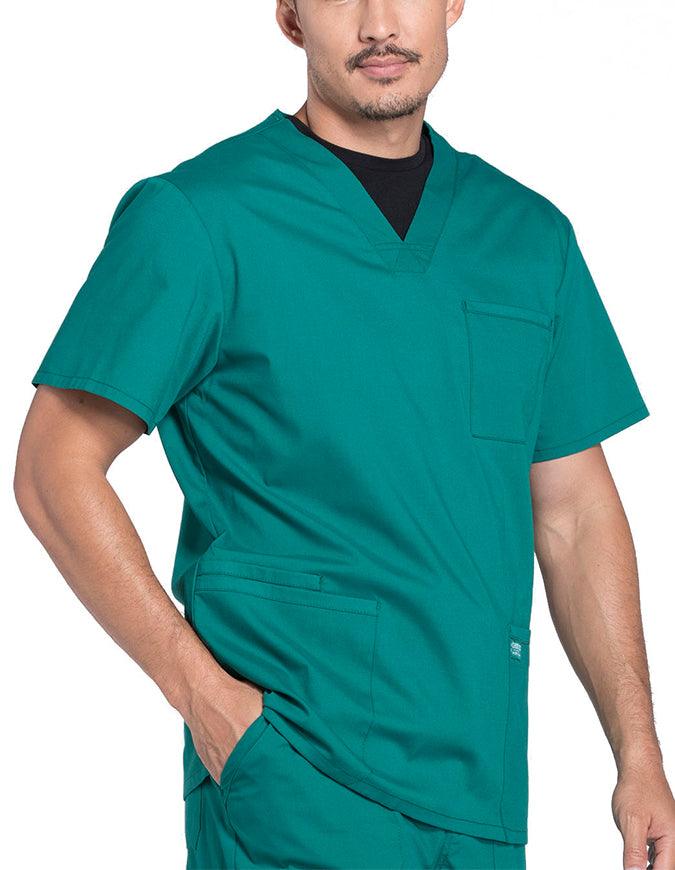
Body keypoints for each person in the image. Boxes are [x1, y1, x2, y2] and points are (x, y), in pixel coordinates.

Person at [14, 1, 674, 868]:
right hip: (295, 777)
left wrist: (638, 753)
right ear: (289, 14)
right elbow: (53, 467)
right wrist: (207, 702)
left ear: (453, 3)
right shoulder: (201, 217)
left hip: (480, 795)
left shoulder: (526, 238)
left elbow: (573, 512)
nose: (377, 24)